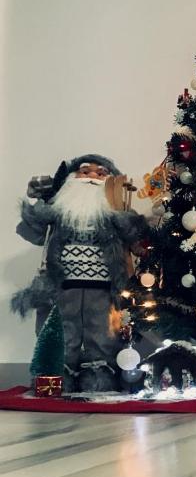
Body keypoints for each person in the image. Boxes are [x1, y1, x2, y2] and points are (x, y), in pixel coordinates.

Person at [13, 155, 145, 391]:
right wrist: (42, 200)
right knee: (62, 332)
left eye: (101, 173)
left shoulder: (115, 213)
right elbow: (30, 231)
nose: (93, 177)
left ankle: (99, 375)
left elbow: (136, 238)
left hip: (104, 289)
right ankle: (57, 375)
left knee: (102, 333)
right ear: (70, 179)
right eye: (85, 172)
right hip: (62, 286)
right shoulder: (57, 210)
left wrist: (126, 219)